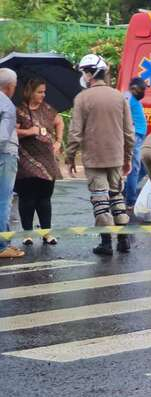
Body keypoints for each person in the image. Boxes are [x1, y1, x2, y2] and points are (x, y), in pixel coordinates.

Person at [66, 54, 134, 255]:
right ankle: (123, 240)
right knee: (116, 195)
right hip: (116, 156)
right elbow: (128, 132)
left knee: (100, 199)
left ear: (90, 74)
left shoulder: (82, 98)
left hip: (94, 158)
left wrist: (70, 157)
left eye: (84, 72)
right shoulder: (119, 96)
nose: (83, 76)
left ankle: (106, 243)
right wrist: (127, 157)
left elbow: (75, 132)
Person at [14, 78, 64, 246]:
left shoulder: (48, 109)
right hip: (26, 160)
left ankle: (46, 233)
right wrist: (28, 131)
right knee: (27, 198)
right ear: (30, 91)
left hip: (47, 160)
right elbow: (12, 131)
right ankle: (27, 233)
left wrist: (58, 141)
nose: (43, 94)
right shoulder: (19, 109)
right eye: (40, 92)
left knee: (44, 199)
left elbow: (59, 121)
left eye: (44, 91)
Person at [0, 68, 24, 259]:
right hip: (5, 155)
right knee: (3, 200)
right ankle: (2, 245)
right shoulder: (7, 104)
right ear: (10, 86)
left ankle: (5, 242)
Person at [123, 77, 148, 212]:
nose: (143, 92)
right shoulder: (128, 98)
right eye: (141, 90)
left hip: (139, 135)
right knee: (134, 169)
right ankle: (130, 201)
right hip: (135, 136)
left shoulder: (133, 98)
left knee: (144, 166)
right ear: (133, 88)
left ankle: (127, 190)